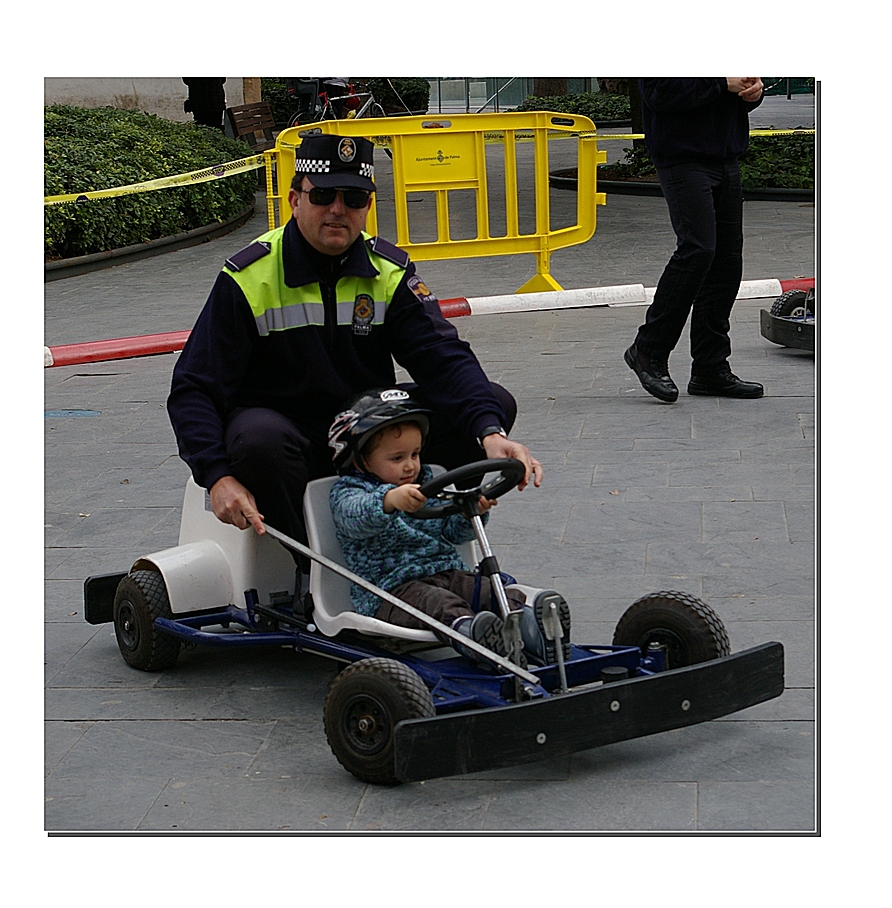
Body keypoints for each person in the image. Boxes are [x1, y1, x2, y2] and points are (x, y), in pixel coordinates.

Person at [167, 133, 542, 569]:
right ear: (294, 198)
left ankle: (424, 541)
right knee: (258, 440)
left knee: (490, 403)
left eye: (356, 197)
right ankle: (319, 571)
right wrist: (216, 477)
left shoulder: (388, 271)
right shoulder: (248, 276)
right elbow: (193, 387)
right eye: (323, 194)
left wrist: (491, 433)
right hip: (289, 439)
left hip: (369, 436)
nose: (338, 210)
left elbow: (443, 356)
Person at [327, 388, 570, 668]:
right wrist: (390, 500)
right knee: (439, 602)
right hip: (392, 590)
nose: (410, 466)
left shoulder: (427, 479)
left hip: (446, 572)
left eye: (415, 454)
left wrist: (471, 514)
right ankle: (474, 637)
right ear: (360, 460)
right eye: (397, 458)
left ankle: (533, 630)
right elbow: (355, 518)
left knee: (494, 590)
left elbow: (452, 534)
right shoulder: (349, 492)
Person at [624, 78, 766, 403]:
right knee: (698, 249)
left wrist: (752, 92)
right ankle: (648, 349)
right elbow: (659, 94)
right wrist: (721, 83)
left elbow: (741, 91)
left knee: (727, 263)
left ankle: (710, 368)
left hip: (725, 154)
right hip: (681, 156)